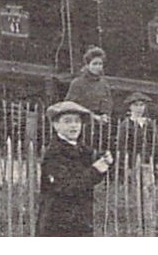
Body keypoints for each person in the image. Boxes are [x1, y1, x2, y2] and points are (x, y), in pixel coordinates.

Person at [36, 101, 113, 236]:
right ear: (56, 125)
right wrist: (95, 170)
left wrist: (104, 161)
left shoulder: (81, 149)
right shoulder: (54, 153)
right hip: (57, 221)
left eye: (77, 121)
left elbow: (93, 169)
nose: (73, 126)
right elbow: (66, 186)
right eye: (67, 121)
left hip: (81, 217)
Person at [65, 46, 114, 122]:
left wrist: (105, 115)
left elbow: (108, 102)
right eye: (94, 64)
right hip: (82, 121)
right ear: (87, 65)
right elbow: (71, 105)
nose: (98, 67)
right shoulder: (77, 83)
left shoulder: (104, 84)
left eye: (100, 64)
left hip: (100, 123)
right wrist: (92, 116)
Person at [115, 91, 158, 165]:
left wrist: (155, 161)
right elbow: (122, 146)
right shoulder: (126, 124)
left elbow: (156, 143)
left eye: (141, 105)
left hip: (148, 162)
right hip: (132, 163)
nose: (139, 108)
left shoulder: (149, 124)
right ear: (130, 107)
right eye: (136, 105)